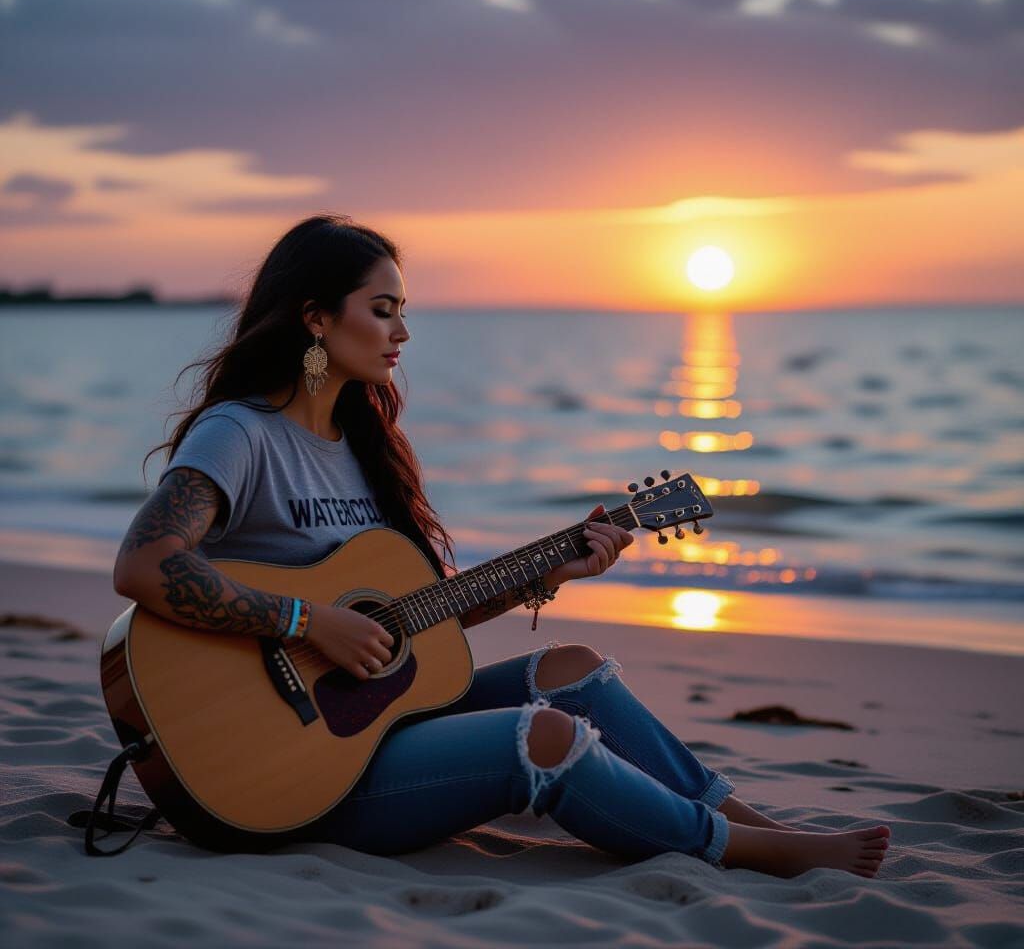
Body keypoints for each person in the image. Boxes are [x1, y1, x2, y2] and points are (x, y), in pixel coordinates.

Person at [112, 214, 890, 878]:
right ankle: (741, 851)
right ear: (316, 317)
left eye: (403, 310)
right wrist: (311, 624)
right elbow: (145, 564)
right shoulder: (240, 432)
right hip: (285, 780)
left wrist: (547, 573)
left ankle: (766, 830)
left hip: (363, 736)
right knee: (543, 739)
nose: (403, 332)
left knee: (575, 673)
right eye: (382, 310)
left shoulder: (363, 446)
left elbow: (404, 633)